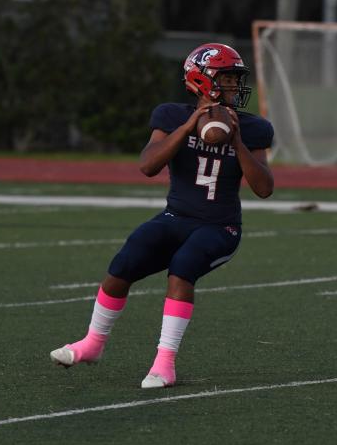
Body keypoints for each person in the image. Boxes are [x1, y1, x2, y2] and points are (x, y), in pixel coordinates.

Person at [51, 43, 274, 388]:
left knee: (182, 268)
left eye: (235, 79)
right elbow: (147, 165)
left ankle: (164, 364)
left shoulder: (254, 127)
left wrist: (238, 143)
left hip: (220, 226)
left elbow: (264, 187)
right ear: (202, 81)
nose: (235, 86)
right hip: (176, 217)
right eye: (228, 78)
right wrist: (187, 128)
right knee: (127, 259)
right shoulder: (170, 116)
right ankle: (93, 343)